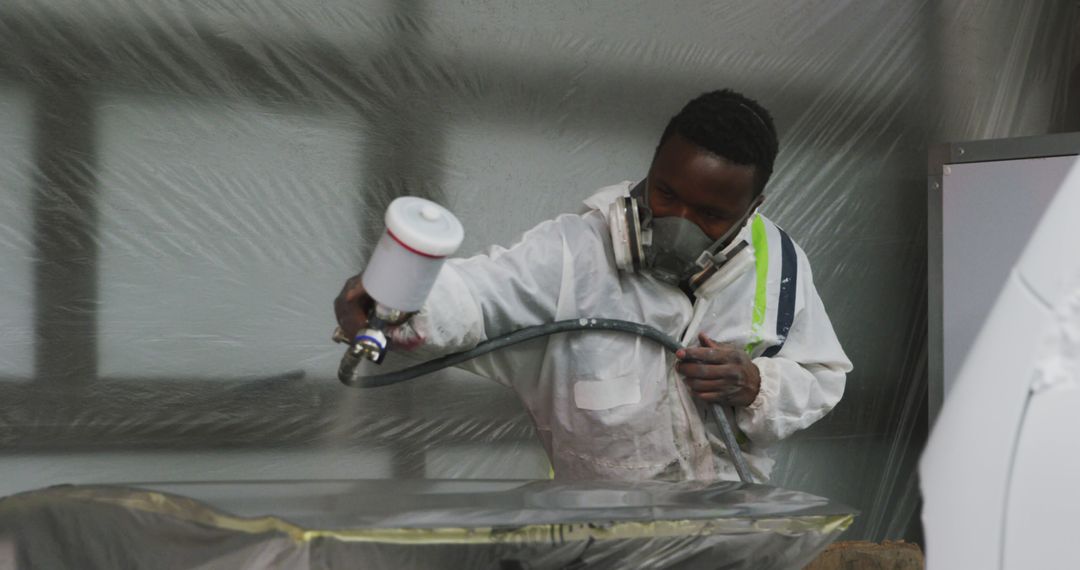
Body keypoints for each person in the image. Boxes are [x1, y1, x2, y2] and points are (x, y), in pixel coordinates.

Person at [334, 89, 851, 482]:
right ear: (650, 168)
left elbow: (823, 377)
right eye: (665, 193)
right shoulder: (574, 254)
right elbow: (474, 295)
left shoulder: (780, 263)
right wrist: (397, 299)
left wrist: (757, 384)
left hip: (732, 542)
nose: (677, 221)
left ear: (751, 210)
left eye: (711, 214)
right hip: (602, 546)